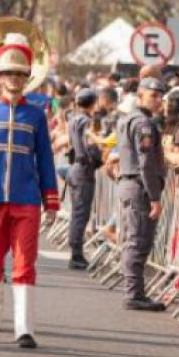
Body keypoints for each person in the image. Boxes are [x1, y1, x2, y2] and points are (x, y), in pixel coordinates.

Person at [0, 33, 59, 348]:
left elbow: (45, 156)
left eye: (20, 73)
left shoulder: (36, 115)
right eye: (8, 73)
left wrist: (51, 198)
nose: (14, 79)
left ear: (27, 77)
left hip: (27, 201)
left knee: (24, 263)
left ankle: (24, 328)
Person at [116, 77, 168, 312]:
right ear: (140, 96)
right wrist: (155, 197)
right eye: (152, 95)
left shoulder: (129, 119)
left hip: (131, 184)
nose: (157, 100)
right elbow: (146, 163)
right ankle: (133, 293)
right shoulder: (143, 124)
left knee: (133, 239)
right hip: (139, 186)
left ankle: (135, 291)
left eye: (160, 96)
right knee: (138, 240)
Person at [66, 88, 104, 269]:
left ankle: (75, 250)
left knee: (77, 211)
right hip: (83, 169)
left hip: (75, 167)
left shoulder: (73, 118)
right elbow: (90, 145)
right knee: (81, 213)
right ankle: (76, 254)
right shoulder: (87, 122)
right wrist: (98, 157)